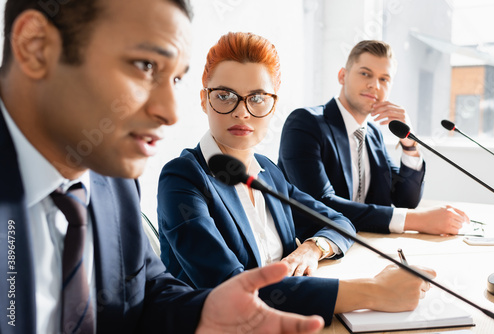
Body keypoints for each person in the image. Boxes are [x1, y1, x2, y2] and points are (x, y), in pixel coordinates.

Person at [0, 1, 327, 333]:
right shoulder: (178, 174)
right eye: (144, 66)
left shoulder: (112, 181)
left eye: (175, 79)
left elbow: (146, 292)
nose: (170, 112)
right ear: (36, 46)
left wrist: (202, 313)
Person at [157, 32, 436, 327]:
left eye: (257, 98)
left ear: (273, 106)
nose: (241, 111)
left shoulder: (268, 173)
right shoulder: (182, 179)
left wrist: (312, 247)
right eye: (224, 96)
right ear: (204, 100)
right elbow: (233, 290)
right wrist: (375, 291)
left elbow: (340, 222)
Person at [278, 40, 469, 235]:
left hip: (368, 242)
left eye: (384, 79)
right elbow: (321, 205)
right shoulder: (305, 123)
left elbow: (405, 200)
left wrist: (409, 143)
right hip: (314, 246)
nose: (374, 85)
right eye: (365, 74)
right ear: (342, 76)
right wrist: (418, 221)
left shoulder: (373, 134)